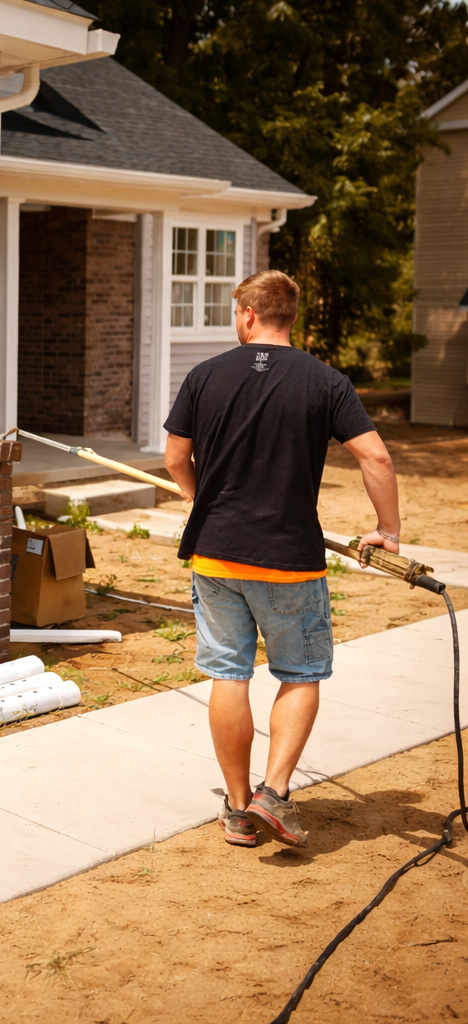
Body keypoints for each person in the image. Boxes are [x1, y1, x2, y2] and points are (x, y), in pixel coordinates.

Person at [162, 270, 401, 848]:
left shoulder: (204, 376)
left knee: (228, 673)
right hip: (290, 559)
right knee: (298, 672)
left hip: (217, 558)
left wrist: (203, 502)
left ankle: (240, 809)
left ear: (247, 313)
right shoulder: (325, 381)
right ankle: (275, 791)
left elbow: (174, 460)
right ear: (289, 316)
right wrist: (386, 529)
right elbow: (377, 459)